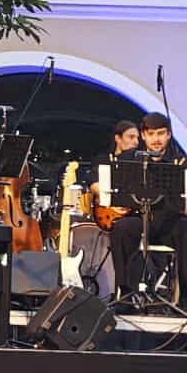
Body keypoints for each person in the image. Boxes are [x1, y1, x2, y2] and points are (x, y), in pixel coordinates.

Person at [108, 113, 187, 305]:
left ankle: (185, 295)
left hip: (170, 224)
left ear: (169, 135)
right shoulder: (129, 160)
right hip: (141, 220)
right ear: (143, 135)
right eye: (151, 134)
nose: (156, 139)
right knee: (121, 228)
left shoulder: (181, 162)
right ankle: (125, 293)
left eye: (160, 133)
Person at [69, 120, 139, 297]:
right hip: (109, 212)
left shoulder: (138, 162)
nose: (135, 142)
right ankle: (121, 290)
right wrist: (112, 201)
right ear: (118, 138)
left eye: (137, 138)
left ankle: (132, 288)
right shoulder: (104, 160)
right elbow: (93, 183)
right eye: (131, 137)